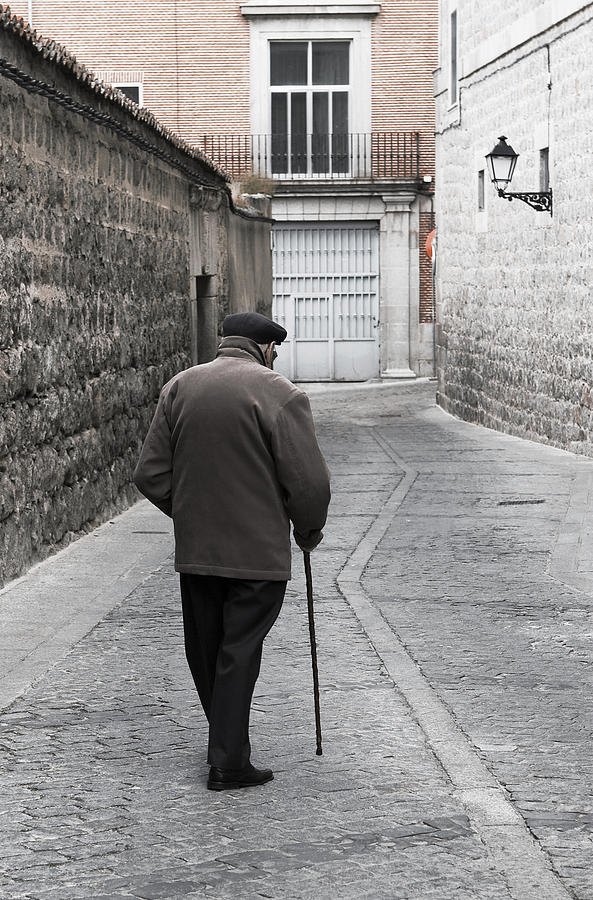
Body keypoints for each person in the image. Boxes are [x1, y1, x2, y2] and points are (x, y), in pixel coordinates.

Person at [133, 312, 331, 791]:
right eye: (275, 351)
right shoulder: (281, 394)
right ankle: (227, 761)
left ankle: (226, 743)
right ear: (264, 349)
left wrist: (191, 514)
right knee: (239, 651)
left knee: (207, 650)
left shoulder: (179, 388)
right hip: (258, 556)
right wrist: (307, 531)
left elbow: (150, 474)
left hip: (199, 553)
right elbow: (309, 484)